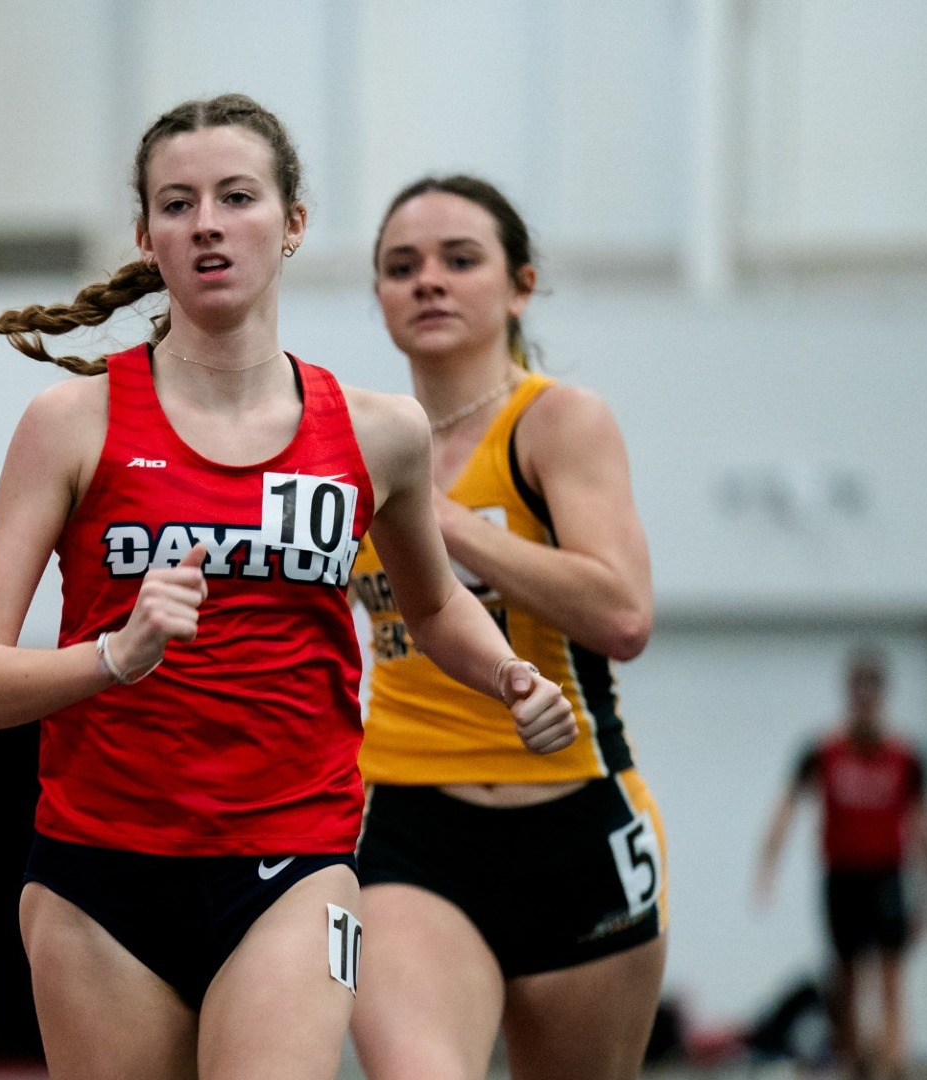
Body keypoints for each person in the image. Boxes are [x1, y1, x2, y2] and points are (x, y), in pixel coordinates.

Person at [0, 96, 576, 1080]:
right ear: (148, 237)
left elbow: (437, 605)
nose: (209, 224)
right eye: (178, 204)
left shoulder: (378, 432)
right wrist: (115, 656)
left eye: (237, 197)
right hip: (101, 879)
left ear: (293, 223)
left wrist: (511, 680)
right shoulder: (70, 425)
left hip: (297, 861)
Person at [346, 175, 666, 1080]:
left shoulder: (558, 423)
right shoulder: (354, 439)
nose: (428, 282)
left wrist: (434, 516)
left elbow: (624, 614)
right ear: (378, 298)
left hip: (576, 820)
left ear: (520, 285)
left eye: (460, 260)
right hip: (407, 827)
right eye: (401, 267)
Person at [757, 651, 927, 1080]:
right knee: (847, 978)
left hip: (887, 876)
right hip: (842, 879)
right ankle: (854, 1063)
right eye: (859, 693)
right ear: (850, 696)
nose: (865, 702)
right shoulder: (823, 752)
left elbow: (922, 825)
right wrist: (768, 867)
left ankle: (893, 1062)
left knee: (891, 975)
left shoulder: (905, 758)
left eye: (872, 693)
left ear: (882, 698)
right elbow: (787, 809)